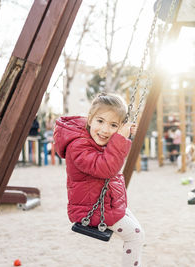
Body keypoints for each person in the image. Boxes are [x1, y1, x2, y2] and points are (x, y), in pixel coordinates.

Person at [53, 93, 144, 267]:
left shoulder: (93, 138)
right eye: (100, 121)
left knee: (139, 233)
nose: (105, 130)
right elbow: (106, 168)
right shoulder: (77, 146)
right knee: (135, 234)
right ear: (90, 119)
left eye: (113, 125)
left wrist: (123, 135)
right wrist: (120, 139)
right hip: (89, 210)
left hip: (106, 204)